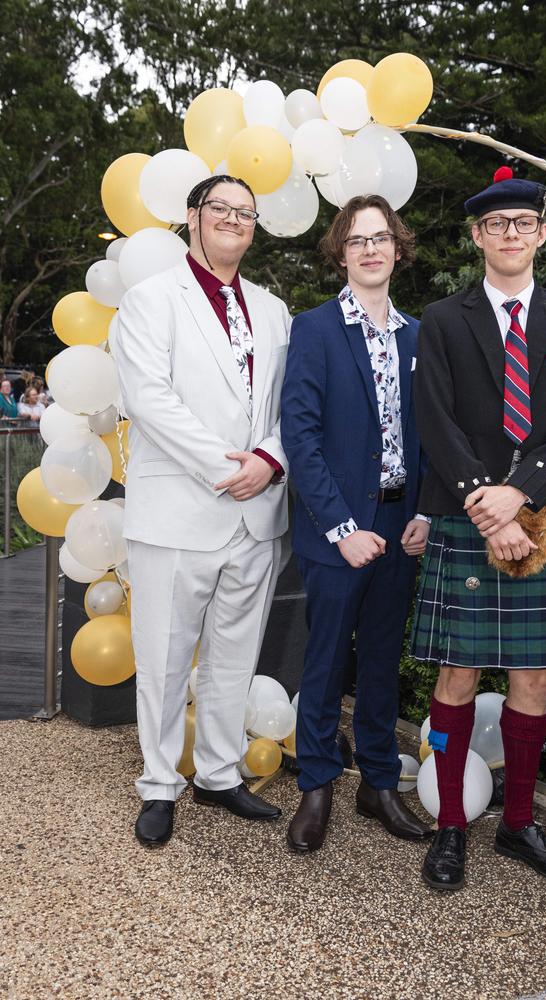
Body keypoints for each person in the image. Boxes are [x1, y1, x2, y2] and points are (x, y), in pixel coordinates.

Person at [412, 167, 546, 890]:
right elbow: (437, 421)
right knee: (457, 672)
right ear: (477, 237)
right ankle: (450, 827)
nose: (511, 235)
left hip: (545, 514)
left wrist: (518, 498)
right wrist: (484, 505)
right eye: (497, 225)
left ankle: (519, 823)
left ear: (542, 233)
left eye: (523, 223)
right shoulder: (443, 318)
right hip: (469, 519)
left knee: (534, 674)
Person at [114, 174, 291, 847]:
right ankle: (160, 783)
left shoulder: (275, 310)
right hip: (179, 512)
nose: (234, 220)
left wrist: (269, 462)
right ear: (193, 218)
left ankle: (219, 773)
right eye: (221, 209)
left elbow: (290, 407)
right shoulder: (150, 300)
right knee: (162, 656)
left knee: (232, 656)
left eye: (246, 213)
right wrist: (230, 470)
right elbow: (148, 400)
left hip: (257, 514)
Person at [280, 194, 434, 853]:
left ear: (398, 249)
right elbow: (301, 436)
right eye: (356, 240)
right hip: (336, 531)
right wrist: (344, 528)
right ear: (339, 254)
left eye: (381, 238)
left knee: (379, 662)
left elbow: (432, 435)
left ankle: (377, 783)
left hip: (402, 527)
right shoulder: (314, 330)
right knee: (323, 663)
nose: (370, 249)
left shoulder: (420, 336)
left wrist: (426, 510)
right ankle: (316, 785)